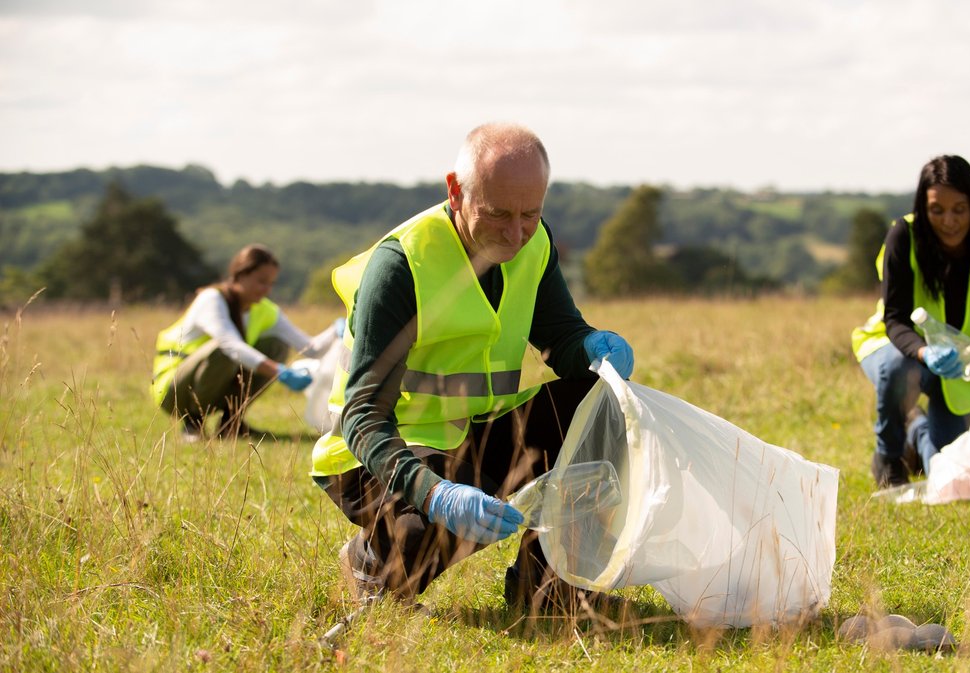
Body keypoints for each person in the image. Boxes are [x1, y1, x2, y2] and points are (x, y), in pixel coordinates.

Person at [309, 122, 635, 614]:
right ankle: (369, 564)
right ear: (456, 191)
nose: (516, 232)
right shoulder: (400, 268)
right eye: (499, 213)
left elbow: (561, 338)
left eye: (531, 213)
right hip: (381, 458)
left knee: (601, 403)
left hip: (471, 439)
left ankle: (549, 586)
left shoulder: (533, 244)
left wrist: (591, 346)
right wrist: (434, 494)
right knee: (423, 539)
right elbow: (362, 418)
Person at [850, 155, 970, 487]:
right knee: (899, 368)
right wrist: (924, 353)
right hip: (899, 350)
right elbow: (895, 319)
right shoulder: (903, 236)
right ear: (923, 206)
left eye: (959, 209)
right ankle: (888, 459)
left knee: (951, 477)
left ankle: (917, 432)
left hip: (960, 366)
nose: (949, 221)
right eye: (937, 210)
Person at [152, 244, 343, 441]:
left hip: (214, 388)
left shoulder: (264, 310)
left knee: (276, 345)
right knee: (223, 350)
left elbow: (310, 348)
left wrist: (335, 331)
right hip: (175, 391)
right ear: (240, 275)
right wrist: (279, 371)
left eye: (271, 284)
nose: (266, 289)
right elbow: (231, 345)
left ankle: (231, 424)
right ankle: (193, 424)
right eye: (261, 281)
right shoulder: (211, 299)